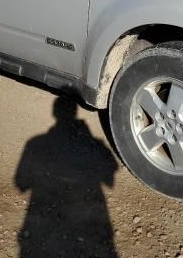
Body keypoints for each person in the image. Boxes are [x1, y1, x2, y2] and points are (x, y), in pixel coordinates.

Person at [15, 96, 118, 257]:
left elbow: (21, 183)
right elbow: (111, 172)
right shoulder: (97, 144)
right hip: (88, 217)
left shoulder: (35, 144)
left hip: (48, 223)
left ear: (54, 113)